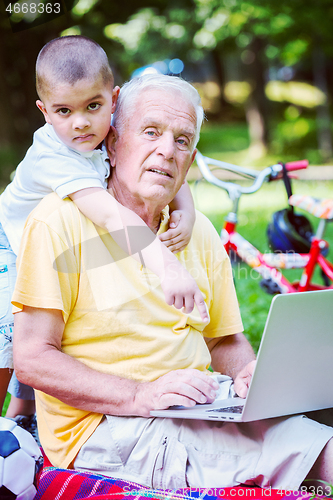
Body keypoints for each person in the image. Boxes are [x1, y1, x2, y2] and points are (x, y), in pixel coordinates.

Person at [12, 74, 333, 489]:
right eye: (151, 132)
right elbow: (33, 357)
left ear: (191, 158)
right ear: (112, 140)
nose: (166, 150)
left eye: (182, 141)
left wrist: (250, 373)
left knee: (321, 414)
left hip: (198, 405)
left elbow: (223, 340)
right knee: (317, 449)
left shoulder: (195, 231)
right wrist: (138, 395)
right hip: (107, 426)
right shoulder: (59, 221)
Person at [0, 37, 206, 425]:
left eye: (92, 106)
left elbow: (170, 171)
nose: (80, 122)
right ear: (44, 111)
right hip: (8, 247)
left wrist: (187, 214)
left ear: (112, 99)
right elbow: (111, 217)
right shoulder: (54, 156)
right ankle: (11, 425)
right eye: (64, 111)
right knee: (13, 345)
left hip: (43, 245)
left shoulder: (106, 129)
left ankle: (26, 424)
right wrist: (167, 267)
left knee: (52, 331)